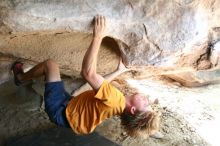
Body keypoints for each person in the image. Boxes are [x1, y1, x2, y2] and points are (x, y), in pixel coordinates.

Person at [11, 15, 161, 138]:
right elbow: (102, 85)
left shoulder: (116, 100)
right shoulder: (118, 103)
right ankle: (28, 79)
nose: (147, 100)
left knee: (50, 65)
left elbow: (88, 74)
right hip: (71, 110)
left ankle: (20, 78)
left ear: (133, 110)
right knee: (87, 89)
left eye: (146, 105)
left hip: (60, 110)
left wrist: (98, 37)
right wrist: (118, 71)